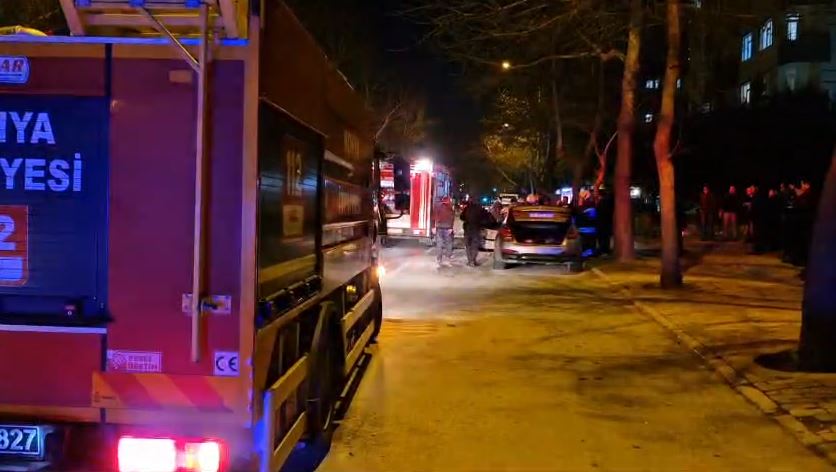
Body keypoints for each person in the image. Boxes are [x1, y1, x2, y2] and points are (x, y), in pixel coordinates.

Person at [461, 199, 491, 267]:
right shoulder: (480, 209)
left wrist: (467, 219)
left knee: (468, 245)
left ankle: (470, 261)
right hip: (476, 229)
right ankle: (473, 261)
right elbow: (487, 218)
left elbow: (461, 217)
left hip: (467, 229)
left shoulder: (467, 208)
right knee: (475, 245)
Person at [433, 196, 456, 267]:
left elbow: (434, 216)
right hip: (447, 228)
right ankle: (448, 260)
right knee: (448, 244)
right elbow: (452, 217)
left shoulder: (438, 207)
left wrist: (433, 227)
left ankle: (439, 260)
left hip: (439, 227)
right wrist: (451, 227)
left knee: (439, 244)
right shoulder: (450, 208)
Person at [595, 189, 614, 255]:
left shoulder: (602, 202)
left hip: (602, 221)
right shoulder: (609, 201)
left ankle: (603, 249)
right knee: (606, 237)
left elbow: (598, 211)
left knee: (602, 237)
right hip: (607, 221)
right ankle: (605, 249)